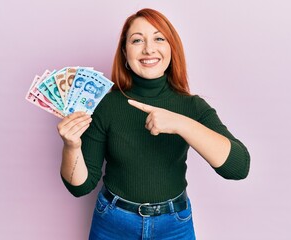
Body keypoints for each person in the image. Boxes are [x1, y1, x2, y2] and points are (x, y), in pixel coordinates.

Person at [57, 8, 250, 240]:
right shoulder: (105, 105)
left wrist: (181, 124)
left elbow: (238, 168)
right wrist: (71, 146)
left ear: (171, 48)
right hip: (113, 222)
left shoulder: (193, 107)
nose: (149, 48)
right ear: (124, 52)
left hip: (174, 224)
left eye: (159, 38)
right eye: (137, 40)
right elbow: (80, 187)